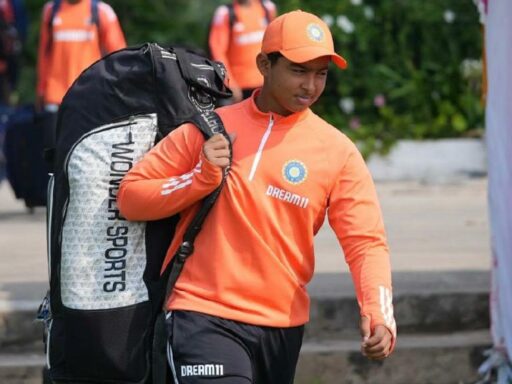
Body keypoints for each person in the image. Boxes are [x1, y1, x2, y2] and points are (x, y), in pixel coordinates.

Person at [118, 10, 396, 384]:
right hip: (202, 314)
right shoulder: (208, 128)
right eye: (299, 70)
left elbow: (366, 242)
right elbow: (132, 196)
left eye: (321, 73)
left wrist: (377, 313)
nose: (311, 85)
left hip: (282, 325)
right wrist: (199, 178)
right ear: (265, 64)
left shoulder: (338, 151)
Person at [36, 0, 126, 111]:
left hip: (90, 95)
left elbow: (119, 57)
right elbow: (44, 54)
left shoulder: (102, 11)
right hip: (55, 97)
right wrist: (41, 88)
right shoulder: (51, 10)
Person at [208, 0, 276, 103]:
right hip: (239, 89)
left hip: (266, 84)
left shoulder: (267, 7)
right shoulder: (225, 13)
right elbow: (217, 51)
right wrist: (230, 83)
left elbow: (275, 44)